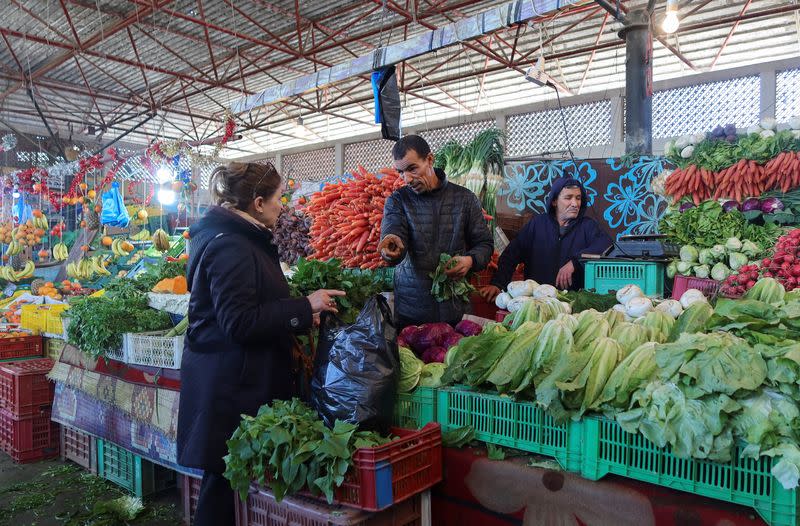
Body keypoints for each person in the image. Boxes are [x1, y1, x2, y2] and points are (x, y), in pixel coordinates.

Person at [177, 162, 344, 526]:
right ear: (257, 202)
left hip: (235, 379)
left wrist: (299, 315)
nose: (282, 206)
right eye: (278, 198)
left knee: (227, 484)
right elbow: (239, 322)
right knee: (220, 491)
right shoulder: (231, 246)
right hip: (229, 388)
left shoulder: (238, 237)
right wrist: (304, 305)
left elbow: (251, 307)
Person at [379, 135, 494, 327]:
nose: (406, 179)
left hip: (455, 309)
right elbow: (394, 229)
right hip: (411, 310)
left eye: (412, 168)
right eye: (400, 172)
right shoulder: (398, 200)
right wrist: (391, 247)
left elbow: (485, 244)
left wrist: (470, 260)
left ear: (430, 160)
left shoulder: (465, 198)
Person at [480, 177, 612, 302]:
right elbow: (511, 255)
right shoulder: (537, 224)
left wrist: (575, 261)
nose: (575, 203)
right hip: (536, 301)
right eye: (568, 198)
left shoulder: (588, 226)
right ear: (554, 201)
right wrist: (497, 284)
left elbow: (605, 244)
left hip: (572, 301)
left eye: (578, 198)